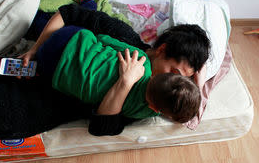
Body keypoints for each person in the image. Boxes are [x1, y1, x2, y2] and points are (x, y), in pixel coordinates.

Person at [0, 0, 211, 139]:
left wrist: (124, 83)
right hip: (38, 61)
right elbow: (68, 15)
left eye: (184, 80)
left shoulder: (149, 100)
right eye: (175, 73)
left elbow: (102, 127)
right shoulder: (127, 39)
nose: (175, 82)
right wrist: (34, 49)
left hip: (37, 103)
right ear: (162, 50)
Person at [35, 25, 201, 123]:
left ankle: (88, 2)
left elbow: (105, 39)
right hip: (50, 71)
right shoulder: (140, 112)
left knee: (90, 37)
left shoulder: (139, 58)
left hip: (70, 38)